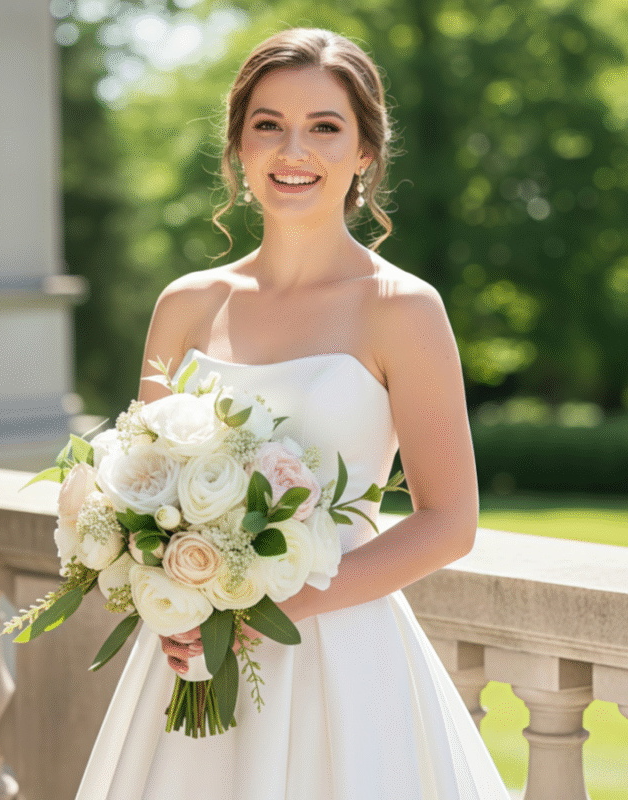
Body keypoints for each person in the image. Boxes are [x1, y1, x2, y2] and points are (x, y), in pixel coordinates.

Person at [75, 27, 511, 799]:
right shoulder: (186, 304)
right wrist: (168, 594)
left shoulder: (402, 309)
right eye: (268, 125)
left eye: (324, 127)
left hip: (340, 660)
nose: (292, 150)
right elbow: (146, 489)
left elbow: (450, 521)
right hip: (190, 659)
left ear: (365, 153)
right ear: (239, 150)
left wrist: (269, 610)